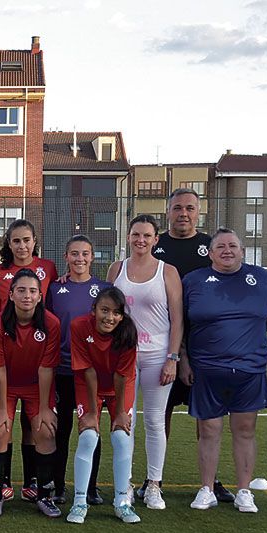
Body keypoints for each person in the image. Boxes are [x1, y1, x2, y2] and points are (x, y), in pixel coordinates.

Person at [182, 228, 267, 513]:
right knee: (209, 430)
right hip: (207, 368)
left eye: (233, 246)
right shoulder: (193, 281)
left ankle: (244, 490)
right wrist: (183, 358)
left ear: (243, 251)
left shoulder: (261, 278)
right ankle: (207, 489)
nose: (227, 251)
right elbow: (180, 322)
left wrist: (246, 337)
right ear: (209, 253)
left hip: (249, 368)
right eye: (220, 246)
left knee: (245, 430)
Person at [152, 187, 233, 503]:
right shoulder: (156, 245)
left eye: (189, 208)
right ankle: (153, 479)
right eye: (177, 208)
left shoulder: (210, 246)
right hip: (164, 345)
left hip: (205, 347)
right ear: (167, 211)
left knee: (208, 416)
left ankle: (210, 481)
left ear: (199, 212)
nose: (183, 213)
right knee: (162, 414)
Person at [107, 215, 183, 510]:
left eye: (147, 235)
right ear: (128, 237)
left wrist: (172, 358)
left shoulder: (168, 272)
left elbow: (177, 319)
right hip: (125, 356)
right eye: (136, 235)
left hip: (158, 355)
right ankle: (124, 484)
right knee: (125, 420)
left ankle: (153, 485)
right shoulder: (117, 269)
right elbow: (105, 311)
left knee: (154, 420)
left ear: (155, 240)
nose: (141, 240)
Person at [0, 219, 60, 497]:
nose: (22, 245)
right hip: (6, 367)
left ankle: (36, 485)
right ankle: (0, 487)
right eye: (16, 240)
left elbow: (46, 369)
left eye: (26, 239)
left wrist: (45, 407)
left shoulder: (49, 270)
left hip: (35, 375)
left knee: (41, 427)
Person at [64, 287, 141, 524]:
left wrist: (119, 414)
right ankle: (79, 502)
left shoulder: (127, 332)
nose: (110, 317)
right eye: (104, 310)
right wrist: (91, 413)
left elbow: (121, 376)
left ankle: (122, 502)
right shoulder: (79, 326)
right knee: (88, 436)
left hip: (120, 385)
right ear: (94, 310)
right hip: (88, 383)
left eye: (116, 312)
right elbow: (87, 370)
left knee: (121, 437)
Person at [45, 236, 110, 506]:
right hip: (62, 369)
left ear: (92, 257)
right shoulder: (54, 289)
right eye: (74, 253)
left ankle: (91, 487)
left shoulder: (104, 289)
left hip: (91, 372)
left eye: (85, 253)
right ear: (66, 256)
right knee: (61, 431)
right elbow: (47, 324)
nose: (79, 258)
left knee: (90, 429)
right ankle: (58, 487)